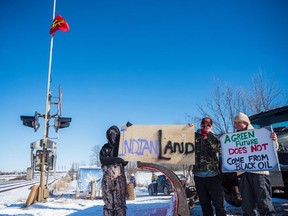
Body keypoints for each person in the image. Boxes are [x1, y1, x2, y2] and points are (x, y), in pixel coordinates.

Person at [234, 112, 278, 216]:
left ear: (245, 122)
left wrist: (274, 140)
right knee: (247, 205)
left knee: (264, 202)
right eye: (235, 123)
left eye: (238, 121)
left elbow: (273, 149)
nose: (236, 124)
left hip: (259, 173)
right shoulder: (233, 138)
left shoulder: (260, 133)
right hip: (243, 174)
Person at [193, 117, 227, 216]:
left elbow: (216, 150)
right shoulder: (193, 136)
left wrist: (206, 137)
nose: (205, 127)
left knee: (219, 204)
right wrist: (187, 130)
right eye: (203, 125)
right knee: (205, 204)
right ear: (200, 125)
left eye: (208, 125)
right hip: (198, 176)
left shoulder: (216, 138)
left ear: (211, 126)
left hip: (213, 175)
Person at [100, 125, 128, 216]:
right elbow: (103, 160)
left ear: (118, 134)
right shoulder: (105, 148)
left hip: (119, 181)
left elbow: (125, 161)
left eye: (114, 133)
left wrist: (129, 130)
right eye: (110, 133)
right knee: (109, 204)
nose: (112, 135)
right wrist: (117, 160)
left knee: (120, 205)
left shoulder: (122, 147)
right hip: (107, 181)